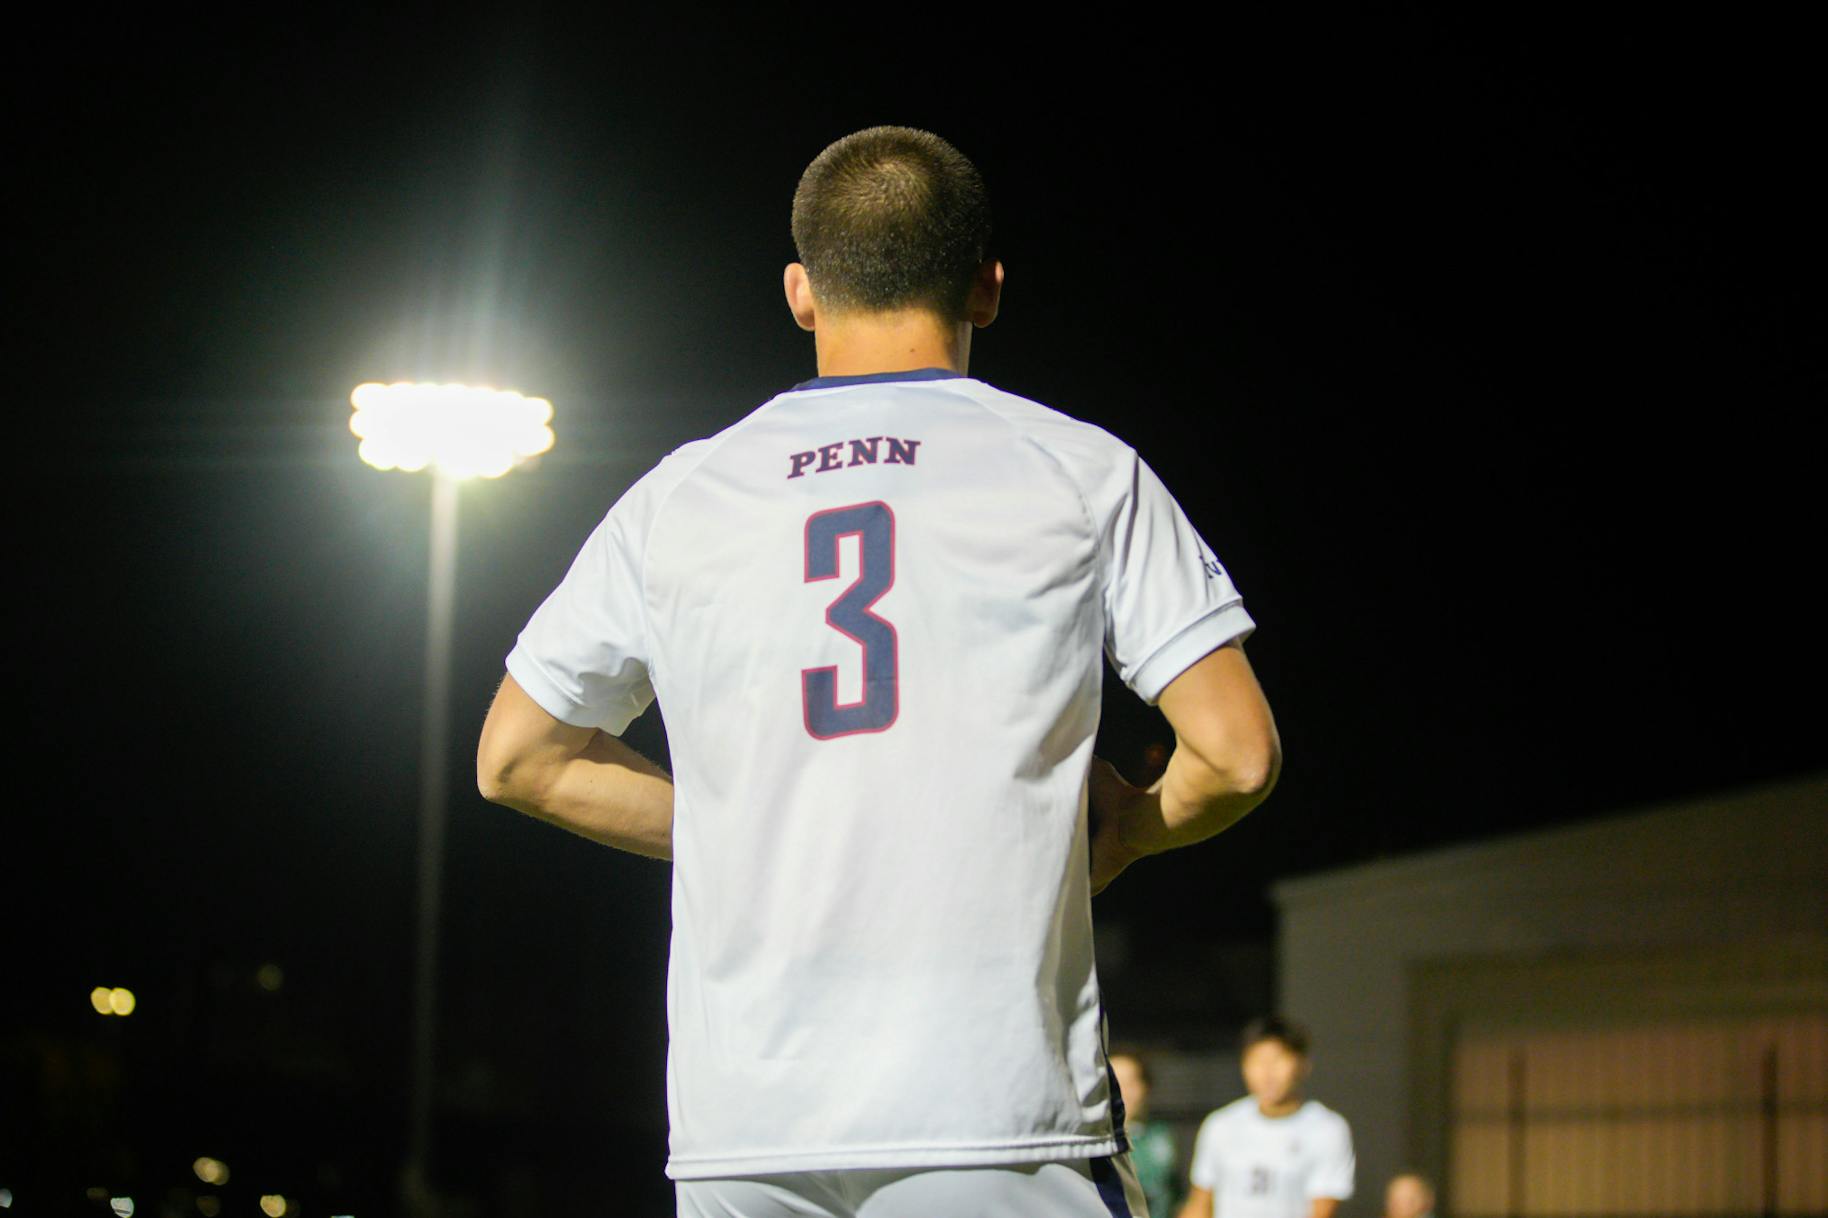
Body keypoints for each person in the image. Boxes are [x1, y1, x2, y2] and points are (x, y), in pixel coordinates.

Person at [475, 125, 1281, 1218]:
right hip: (996, 1113)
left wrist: (737, 823)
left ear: (802, 293)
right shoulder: (1077, 468)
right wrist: (1126, 832)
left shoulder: (681, 494)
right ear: (987, 287)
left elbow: (516, 760)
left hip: (743, 1133)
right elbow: (1234, 756)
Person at [1178, 1017, 1354, 1218]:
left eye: (1278, 1060)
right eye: (1257, 1061)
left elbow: (1322, 1211)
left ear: (1303, 1064)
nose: (1267, 1072)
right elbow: (1199, 1204)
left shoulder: (1327, 1129)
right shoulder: (1220, 1124)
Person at [1111, 1050, 1184, 1218]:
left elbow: (1176, 1194)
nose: (1123, 1092)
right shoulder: (1088, 1144)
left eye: (1131, 1082)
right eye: (1115, 1083)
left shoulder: (1161, 1134)